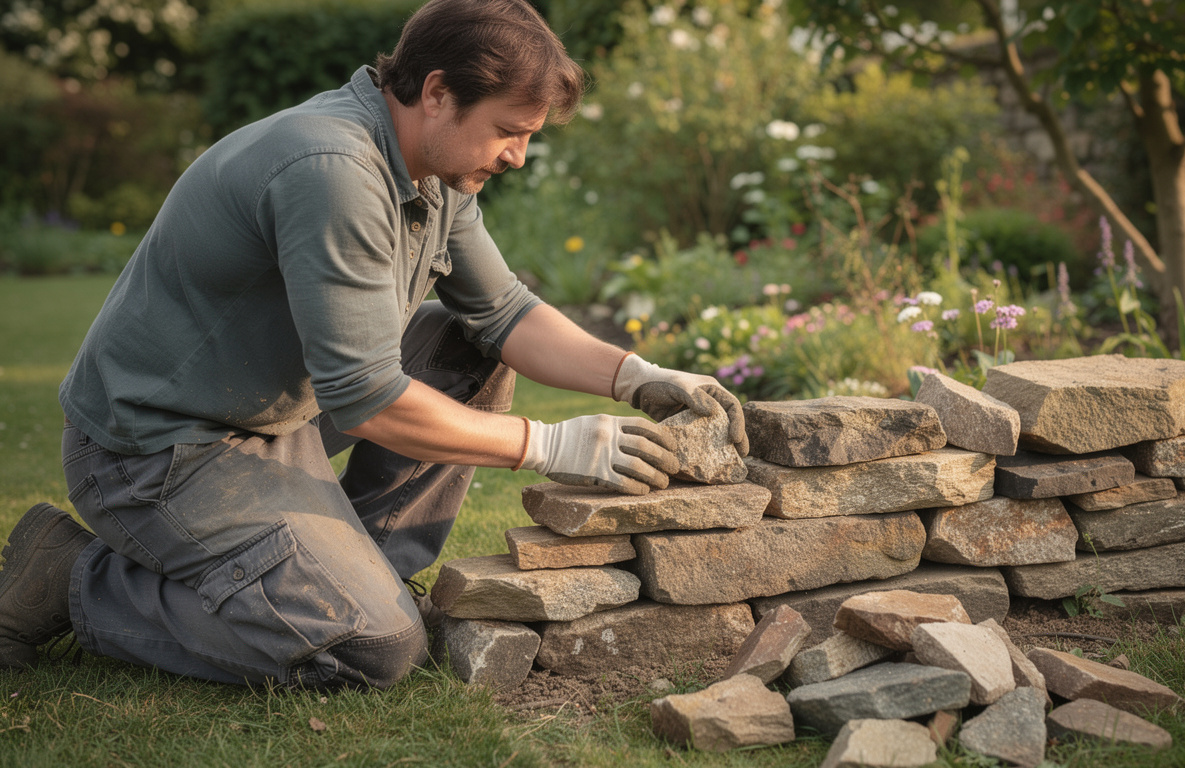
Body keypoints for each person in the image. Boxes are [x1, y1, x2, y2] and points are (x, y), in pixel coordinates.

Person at [0, 0, 746, 689]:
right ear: (437, 92)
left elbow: (505, 313)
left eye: (529, 135)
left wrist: (636, 376)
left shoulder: (436, 171)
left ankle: (366, 577)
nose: (518, 155)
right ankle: (74, 576)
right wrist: (555, 444)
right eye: (509, 130)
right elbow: (365, 398)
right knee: (373, 650)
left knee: (467, 350)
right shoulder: (332, 169)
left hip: (269, 415)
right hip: (158, 453)